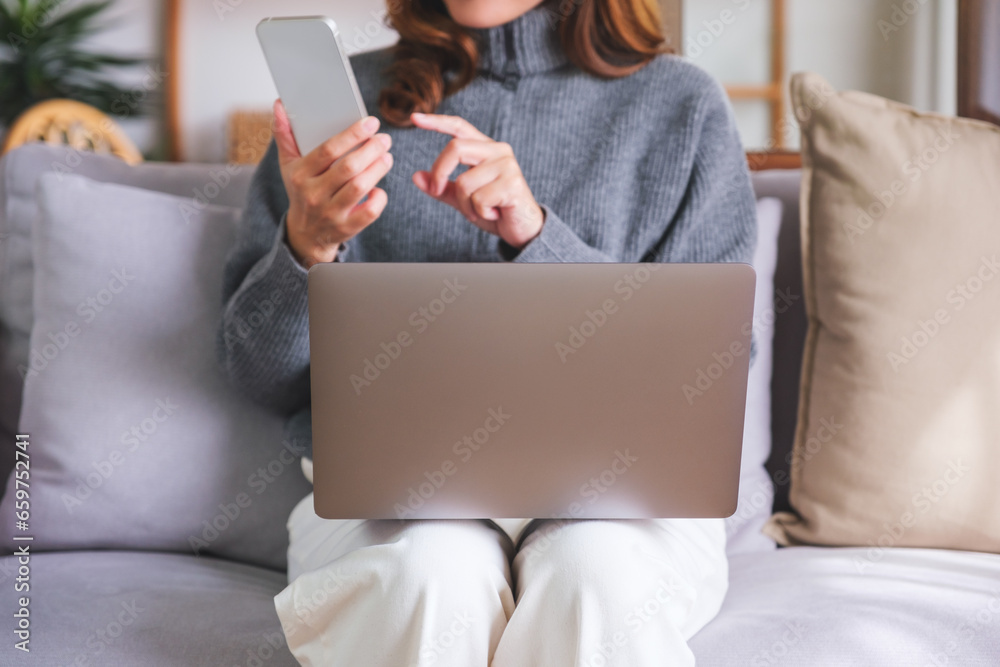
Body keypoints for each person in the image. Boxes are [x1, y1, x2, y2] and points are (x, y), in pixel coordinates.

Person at [217, 0, 756, 664]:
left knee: (594, 573)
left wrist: (536, 236)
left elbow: (705, 375)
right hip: (392, 504)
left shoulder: (682, 107)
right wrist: (307, 246)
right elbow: (256, 376)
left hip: (627, 505)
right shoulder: (337, 117)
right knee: (428, 573)